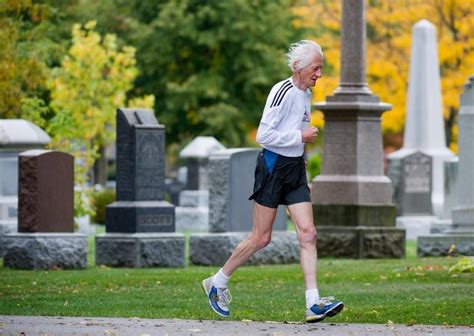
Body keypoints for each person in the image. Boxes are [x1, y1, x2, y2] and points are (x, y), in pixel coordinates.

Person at [202, 40, 343, 323]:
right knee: (261, 238)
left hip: (293, 168)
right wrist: (298, 139)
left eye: (321, 69)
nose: (319, 74)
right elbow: (263, 136)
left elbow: (299, 126)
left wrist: (299, 153)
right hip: (272, 167)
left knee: (308, 233)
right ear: (298, 67)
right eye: (316, 68)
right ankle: (216, 282)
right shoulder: (282, 91)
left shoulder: (306, 95)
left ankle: (312, 303)